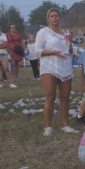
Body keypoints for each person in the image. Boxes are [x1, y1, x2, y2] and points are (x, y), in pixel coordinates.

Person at [34, 8, 78, 136]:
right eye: (52, 16)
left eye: (56, 15)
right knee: (50, 96)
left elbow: (69, 51)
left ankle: (65, 125)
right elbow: (37, 50)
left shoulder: (65, 32)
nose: (54, 18)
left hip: (65, 65)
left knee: (65, 97)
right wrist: (53, 52)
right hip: (49, 65)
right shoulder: (43, 32)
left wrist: (70, 45)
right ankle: (48, 127)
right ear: (48, 19)